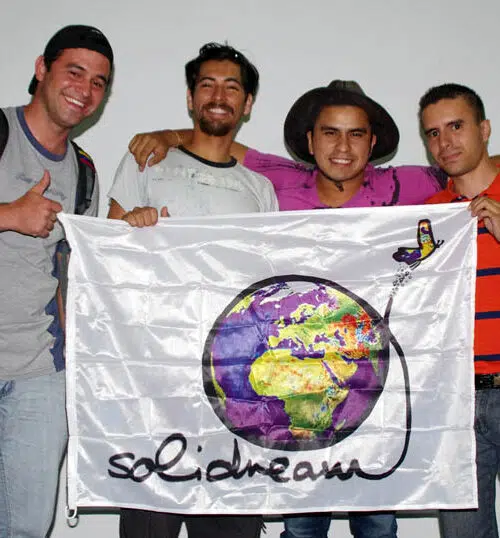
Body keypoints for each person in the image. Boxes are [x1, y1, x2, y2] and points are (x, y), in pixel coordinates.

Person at [126, 79, 454, 538]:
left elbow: (469, 166)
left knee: (377, 524)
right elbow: (219, 139)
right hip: (295, 388)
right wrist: (167, 137)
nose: (343, 146)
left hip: (366, 389)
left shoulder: (408, 183)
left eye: (356, 134)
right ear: (310, 140)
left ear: (373, 141)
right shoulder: (278, 179)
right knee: (301, 527)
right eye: (330, 132)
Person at [108, 42, 278, 538]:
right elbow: (105, 261)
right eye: (207, 85)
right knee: (149, 525)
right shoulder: (147, 163)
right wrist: (130, 230)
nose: (219, 96)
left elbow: (267, 290)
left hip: (233, 389)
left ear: (247, 103)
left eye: (232, 87)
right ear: (190, 97)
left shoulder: (260, 189)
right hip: (156, 384)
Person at [0, 24, 113, 538]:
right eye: (74, 72)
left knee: (26, 527)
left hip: (40, 375)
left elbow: (73, 272)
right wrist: (9, 214)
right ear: (42, 69)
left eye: (98, 82)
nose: (84, 90)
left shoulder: (84, 170)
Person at [420, 83, 500, 538]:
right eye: (433, 133)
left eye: (456, 126)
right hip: (455, 397)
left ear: (484, 129)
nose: (445, 142)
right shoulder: (427, 215)